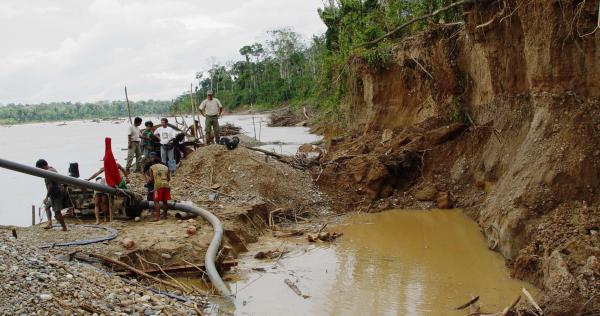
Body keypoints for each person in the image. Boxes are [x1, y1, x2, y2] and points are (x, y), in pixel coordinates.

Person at [35, 159, 67, 231]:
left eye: (39, 169)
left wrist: (46, 197)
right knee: (47, 206)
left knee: (57, 212)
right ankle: (50, 223)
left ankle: (64, 227)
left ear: (43, 166)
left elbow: (50, 186)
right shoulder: (52, 169)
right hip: (55, 192)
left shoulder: (47, 173)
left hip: (56, 193)